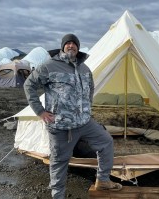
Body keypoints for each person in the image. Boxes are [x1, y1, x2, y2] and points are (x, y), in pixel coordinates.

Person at [23, 33, 122, 198]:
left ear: (78, 47)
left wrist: (87, 109)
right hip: (61, 126)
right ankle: (58, 195)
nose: (71, 46)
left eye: (74, 44)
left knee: (106, 142)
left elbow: (90, 88)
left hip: (84, 123)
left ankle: (103, 180)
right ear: (62, 46)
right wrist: (40, 111)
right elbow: (29, 85)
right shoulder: (49, 66)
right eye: (67, 43)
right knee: (59, 162)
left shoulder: (84, 68)